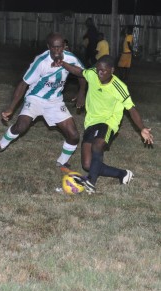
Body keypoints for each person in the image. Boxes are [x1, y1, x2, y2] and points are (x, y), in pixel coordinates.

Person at [0, 32, 86, 168]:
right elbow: (23, 83)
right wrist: (11, 108)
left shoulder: (71, 58)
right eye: (54, 47)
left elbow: (83, 74)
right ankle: (0, 145)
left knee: (74, 136)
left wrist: (82, 92)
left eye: (60, 47)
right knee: (21, 126)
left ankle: (62, 162)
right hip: (35, 98)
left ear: (64, 46)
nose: (57, 51)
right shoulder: (41, 61)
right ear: (48, 46)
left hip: (55, 101)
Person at [52, 55, 154, 194]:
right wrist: (63, 63)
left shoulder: (119, 87)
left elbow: (131, 109)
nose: (100, 73)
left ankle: (91, 183)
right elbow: (78, 71)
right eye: (98, 69)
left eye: (104, 71)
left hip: (108, 121)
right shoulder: (92, 74)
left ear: (112, 70)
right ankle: (122, 174)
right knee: (88, 164)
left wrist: (142, 128)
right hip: (91, 121)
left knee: (98, 144)